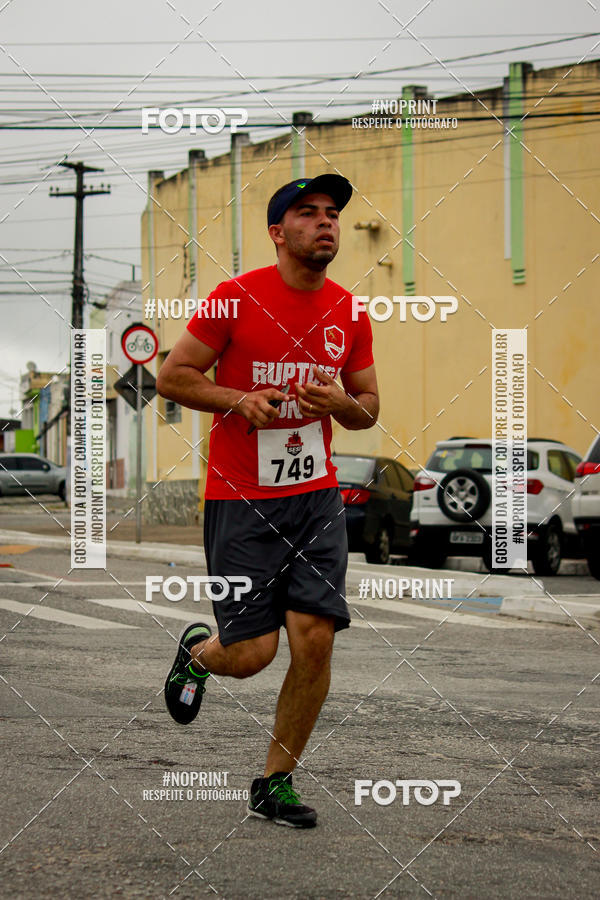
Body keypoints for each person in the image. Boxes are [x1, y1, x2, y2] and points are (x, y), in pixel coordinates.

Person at [157, 174, 379, 828]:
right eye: (308, 213)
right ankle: (201, 651)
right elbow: (174, 375)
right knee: (251, 655)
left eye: (333, 212)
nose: (326, 222)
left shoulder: (350, 312)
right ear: (279, 233)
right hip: (241, 499)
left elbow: (368, 407)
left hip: (316, 500)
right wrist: (237, 399)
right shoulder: (234, 299)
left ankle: (273, 784)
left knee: (314, 640)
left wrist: (344, 405)